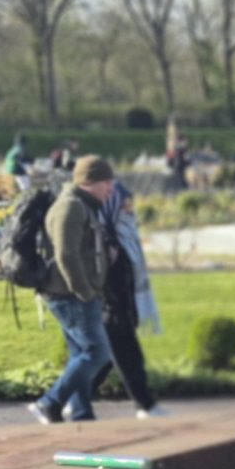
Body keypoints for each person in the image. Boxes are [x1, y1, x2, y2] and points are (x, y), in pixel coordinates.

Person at [28, 155, 117, 424]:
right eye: (106, 183)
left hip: (73, 294)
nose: (110, 189)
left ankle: (81, 413)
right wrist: (85, 293)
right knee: (97, 353)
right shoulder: (70, 207)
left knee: (81, 354)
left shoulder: (82, 206)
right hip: (70, 295)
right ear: (89, 181)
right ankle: (48, 403)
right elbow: (67, 256)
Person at [91, 178, 164, 418]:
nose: (129, 212)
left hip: (122, 312)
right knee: (124, 359)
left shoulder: (124, 238)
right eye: (125, 206)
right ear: (112, 207)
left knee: (104, 361)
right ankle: (145, 405)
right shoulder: (107, 242)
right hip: (112, 312)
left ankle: (63, 400)